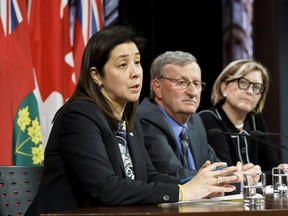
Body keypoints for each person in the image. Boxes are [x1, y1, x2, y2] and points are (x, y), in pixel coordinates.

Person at [25, 26, 240, 215]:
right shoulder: (79, 115)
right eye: (122, 65)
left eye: (137, 62)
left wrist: (200, 183)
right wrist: (183, 192)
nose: (136, 73)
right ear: (96, 75)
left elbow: (148, 175)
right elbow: (105, 188)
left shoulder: (129, 119)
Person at [136, 51, 260, 183]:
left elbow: (215, 165)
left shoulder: (195, 121)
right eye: (181, 82)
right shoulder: (146, 119)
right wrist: (232, 178)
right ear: (158, 88)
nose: (192, 92)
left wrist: (238, 173)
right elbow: (173, 174)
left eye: (196, 84)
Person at [199, 59, 288, 184]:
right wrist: (263, 176)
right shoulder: (209, 119)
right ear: (223, 86)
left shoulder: (256, 120)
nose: (250, 91)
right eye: (243, 82)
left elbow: (273, 167)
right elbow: (228, 175)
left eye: (257, 87)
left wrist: (281, 171)